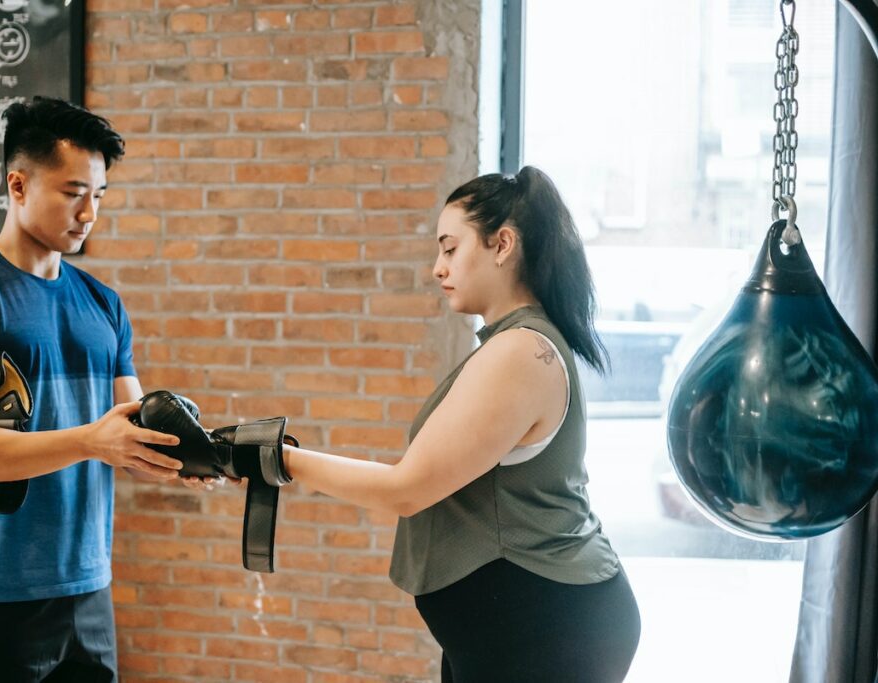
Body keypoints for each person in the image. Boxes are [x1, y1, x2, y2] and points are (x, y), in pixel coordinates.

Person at [205, 167, 642, 681]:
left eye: (450, 248)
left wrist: (276, 457)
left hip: (543, 627)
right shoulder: (514, 344)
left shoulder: (522, 352)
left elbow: (406, 489)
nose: (438, 267)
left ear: (502, 244)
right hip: (513, 625)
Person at [0, 96, 186, 682]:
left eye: (100, 195)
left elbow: (127, 432)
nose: (89, 213)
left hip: (88, 585)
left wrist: (193, 457)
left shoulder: (103, 304)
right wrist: (92, 441)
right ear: (17, 184)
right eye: (72, 193)